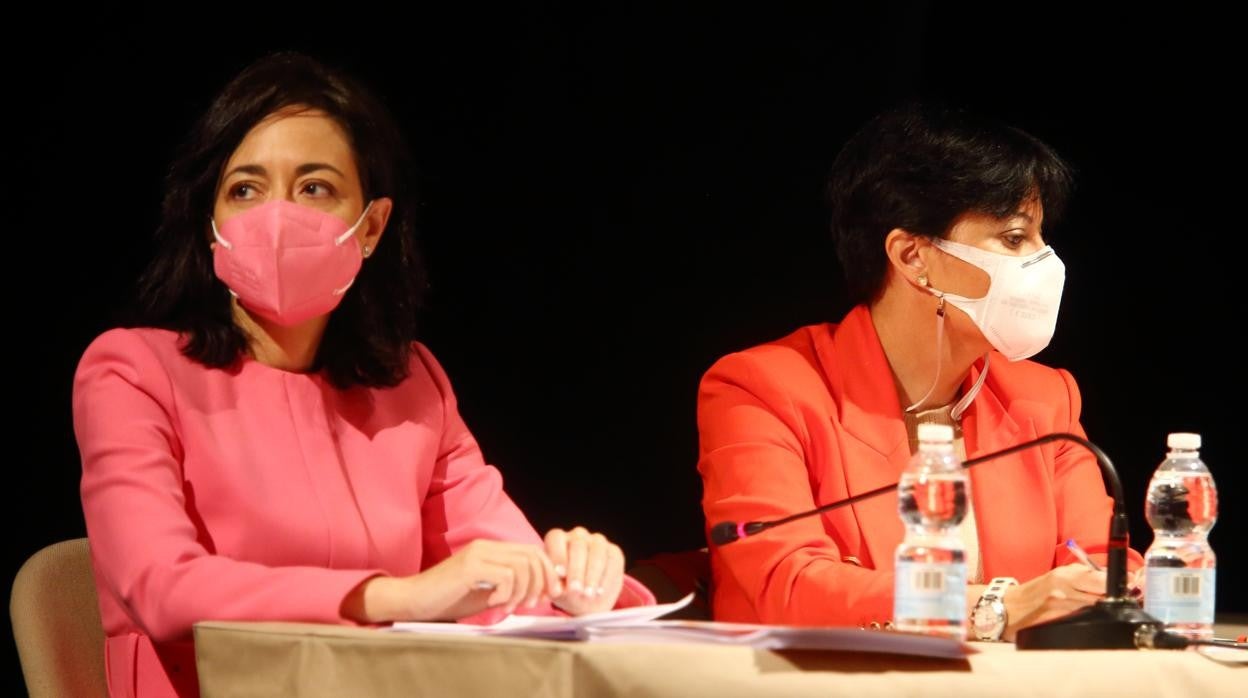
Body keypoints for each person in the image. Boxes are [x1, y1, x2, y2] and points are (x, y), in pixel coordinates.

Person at [72, 53, 653, 697]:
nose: (277, 212)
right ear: (211, 228)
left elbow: (508, 575)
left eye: (314, 187)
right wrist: (402, 596)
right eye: (245, 189)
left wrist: (580, 587)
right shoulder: (130, 371)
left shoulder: (412, 386)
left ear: (371, 225)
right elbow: (162, 588)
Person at [696, 104, 1142, 640]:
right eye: (1015, 238)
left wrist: (1113, 586)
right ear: (913, 257)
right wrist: (994, 607)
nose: (1045, 263)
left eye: (1041, 237)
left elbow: (1103, 564)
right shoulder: (762, 389)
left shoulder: (1045, 399)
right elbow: (785, 584)